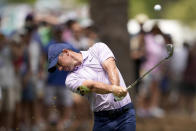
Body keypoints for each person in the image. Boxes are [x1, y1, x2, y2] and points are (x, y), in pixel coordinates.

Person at [48, 42, 136, 131]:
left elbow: (110, 67)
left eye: (58, 63)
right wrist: (114, 89)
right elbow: (90, 86)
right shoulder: (70, 81)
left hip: (125, 114)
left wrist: (116, 87)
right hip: (103, 120)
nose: (59, 69)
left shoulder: (98, 48)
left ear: (66, 52)